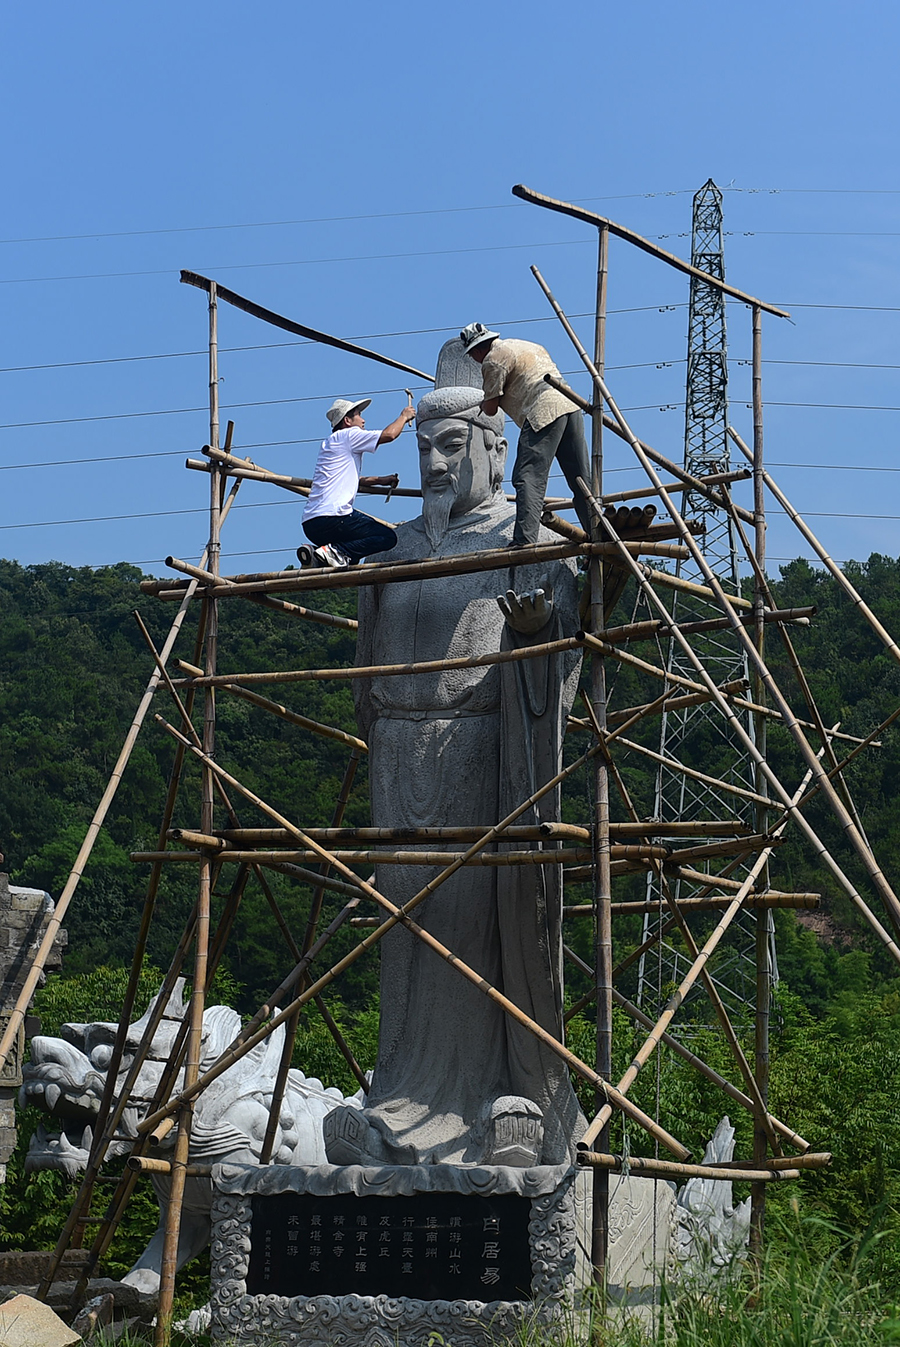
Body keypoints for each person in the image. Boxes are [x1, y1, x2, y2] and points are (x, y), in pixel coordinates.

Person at [321, 347, 586, 1169]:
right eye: (425, 449)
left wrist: (542, 629)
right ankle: (396, 1094)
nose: (434, 463)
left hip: (482, 756)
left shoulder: (525, 537)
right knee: (406, 936)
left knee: (478, 926)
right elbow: (365, 667)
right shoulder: (392, 550)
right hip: (397, 761)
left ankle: (494, 1101)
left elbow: (581, 617)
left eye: (451, 447)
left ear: (492, 447)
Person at [460, 321, 594, 548]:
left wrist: (482, 403)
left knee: (527, 476)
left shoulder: (492, 360)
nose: (474, 359)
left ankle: (524, 540)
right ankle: (596, 529)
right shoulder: (526, 345)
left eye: (472, 354)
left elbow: (491, 409)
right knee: (581, 479)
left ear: (477, 349)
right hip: (570, 405)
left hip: (543, 410)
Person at [300, 396, 414, 567]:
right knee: (387, 537)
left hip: (311, 523)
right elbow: (389, 435)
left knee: (351, 557)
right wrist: (404, 416)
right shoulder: (349, 435)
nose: (363, 420)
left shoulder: (330, 443)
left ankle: (317, 556)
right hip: (334, 516)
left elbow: (351, 479)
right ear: (347, 420)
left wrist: (381, 480)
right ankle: (334, 551)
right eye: (359, 415)